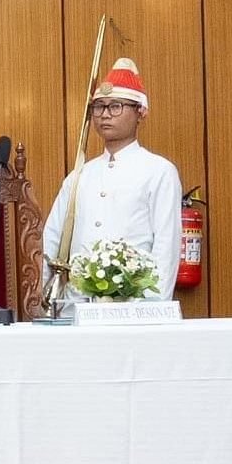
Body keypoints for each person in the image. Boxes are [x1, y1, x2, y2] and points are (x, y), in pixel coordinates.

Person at [43, 58, 181, 301]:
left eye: (115, 106)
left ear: (140, 112)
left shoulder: (159, 171)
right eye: (99, 107)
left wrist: (151, 308)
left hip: (134, 305)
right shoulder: (79, 175)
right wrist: (44, 298)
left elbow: (165, 247)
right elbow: (51, 238)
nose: (105, 115)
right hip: (78, 307)